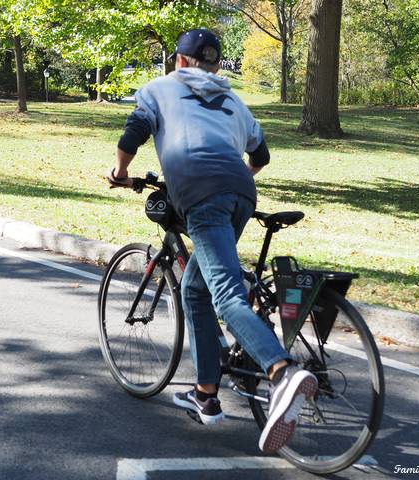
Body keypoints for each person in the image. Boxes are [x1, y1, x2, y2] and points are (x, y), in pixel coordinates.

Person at [106, 28, 317, 453]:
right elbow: (260, 157)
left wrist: (119, 171)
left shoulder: (158, 88)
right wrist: (230, 181)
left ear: (179, 62)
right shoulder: (234, 100)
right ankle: (205, 394)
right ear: (216, 65)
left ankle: (281, 370)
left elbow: (133, 135)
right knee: (195, 290)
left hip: (201, 195)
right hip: (241, 193)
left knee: (224, 295)